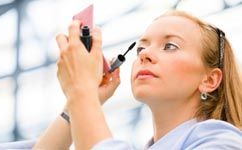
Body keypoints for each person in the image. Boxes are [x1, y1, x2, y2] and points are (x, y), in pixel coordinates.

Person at [33, 10, 242, 150]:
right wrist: (79, 104)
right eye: (141, 48)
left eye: (170, 46)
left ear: (210, 80)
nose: (144, 54)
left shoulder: (222, 142)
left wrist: (81, 90)